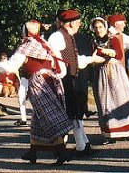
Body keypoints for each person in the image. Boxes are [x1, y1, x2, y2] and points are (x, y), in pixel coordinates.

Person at [0, 20, 74, 166]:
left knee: (50, 116)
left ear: (26, 31)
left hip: (39, 83)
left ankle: (61, 151)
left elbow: (10, 67)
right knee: (38, 117)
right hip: (51, 81)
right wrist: (53, 76)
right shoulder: (45, 44)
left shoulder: (25, 47)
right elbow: (61, 68)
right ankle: (33, 151)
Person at [48, 9, 98, 157]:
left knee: (74, 113)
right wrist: (60, 75)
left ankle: (82, 146)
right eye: (77, 22)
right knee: (67, 114)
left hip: (70, 79)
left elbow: (75, 59)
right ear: (70, 23)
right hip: (63, 79)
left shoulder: (68, 36)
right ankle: (62, 148)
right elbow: (53, 59)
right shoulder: (57, 37)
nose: (79, 24)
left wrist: (92, 59)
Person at [90, 17, 129, 145]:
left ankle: (124, 131)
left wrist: (108, 51)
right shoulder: (93, 41)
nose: (98, 30)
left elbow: (120, 55)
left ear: (105, 27)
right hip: (101, 73)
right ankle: (110, 133)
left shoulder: (113, 38)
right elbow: (92, 55)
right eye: (96, 27)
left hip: (115, 73)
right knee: (105, 103)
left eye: (100, 27)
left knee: (119, 101)